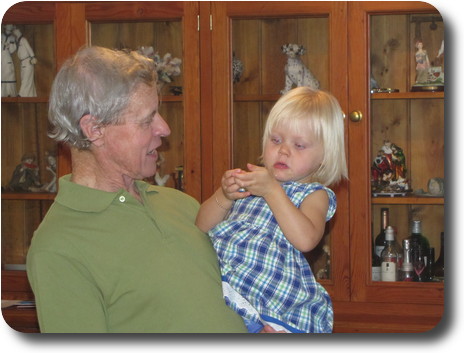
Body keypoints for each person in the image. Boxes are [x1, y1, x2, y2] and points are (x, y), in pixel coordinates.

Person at [26, 46, 248, 333]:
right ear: (94, 129)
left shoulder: (184, 204)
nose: (165, 128)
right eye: (146, 120)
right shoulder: (57, 247)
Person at [196, 87, 348, 333]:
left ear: (324, 157)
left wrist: (273, 192)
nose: (284, 150)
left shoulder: (314, 194)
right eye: (275, 140)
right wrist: (223, 196)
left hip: (271, 306)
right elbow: (201, 227)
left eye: (299, 145)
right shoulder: (252, 181)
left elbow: (306, 239)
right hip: (223, 286)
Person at [13, 27, 37, 97]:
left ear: (18, 31)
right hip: (22, 62)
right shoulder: (17, 41)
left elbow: (29, 49)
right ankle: (32, 95)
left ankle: (21, 94)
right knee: (24, 78)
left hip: (28, 61)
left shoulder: (23, 40)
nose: (15, 32)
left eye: (15, 30)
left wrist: (33, 57)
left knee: (26, 79)